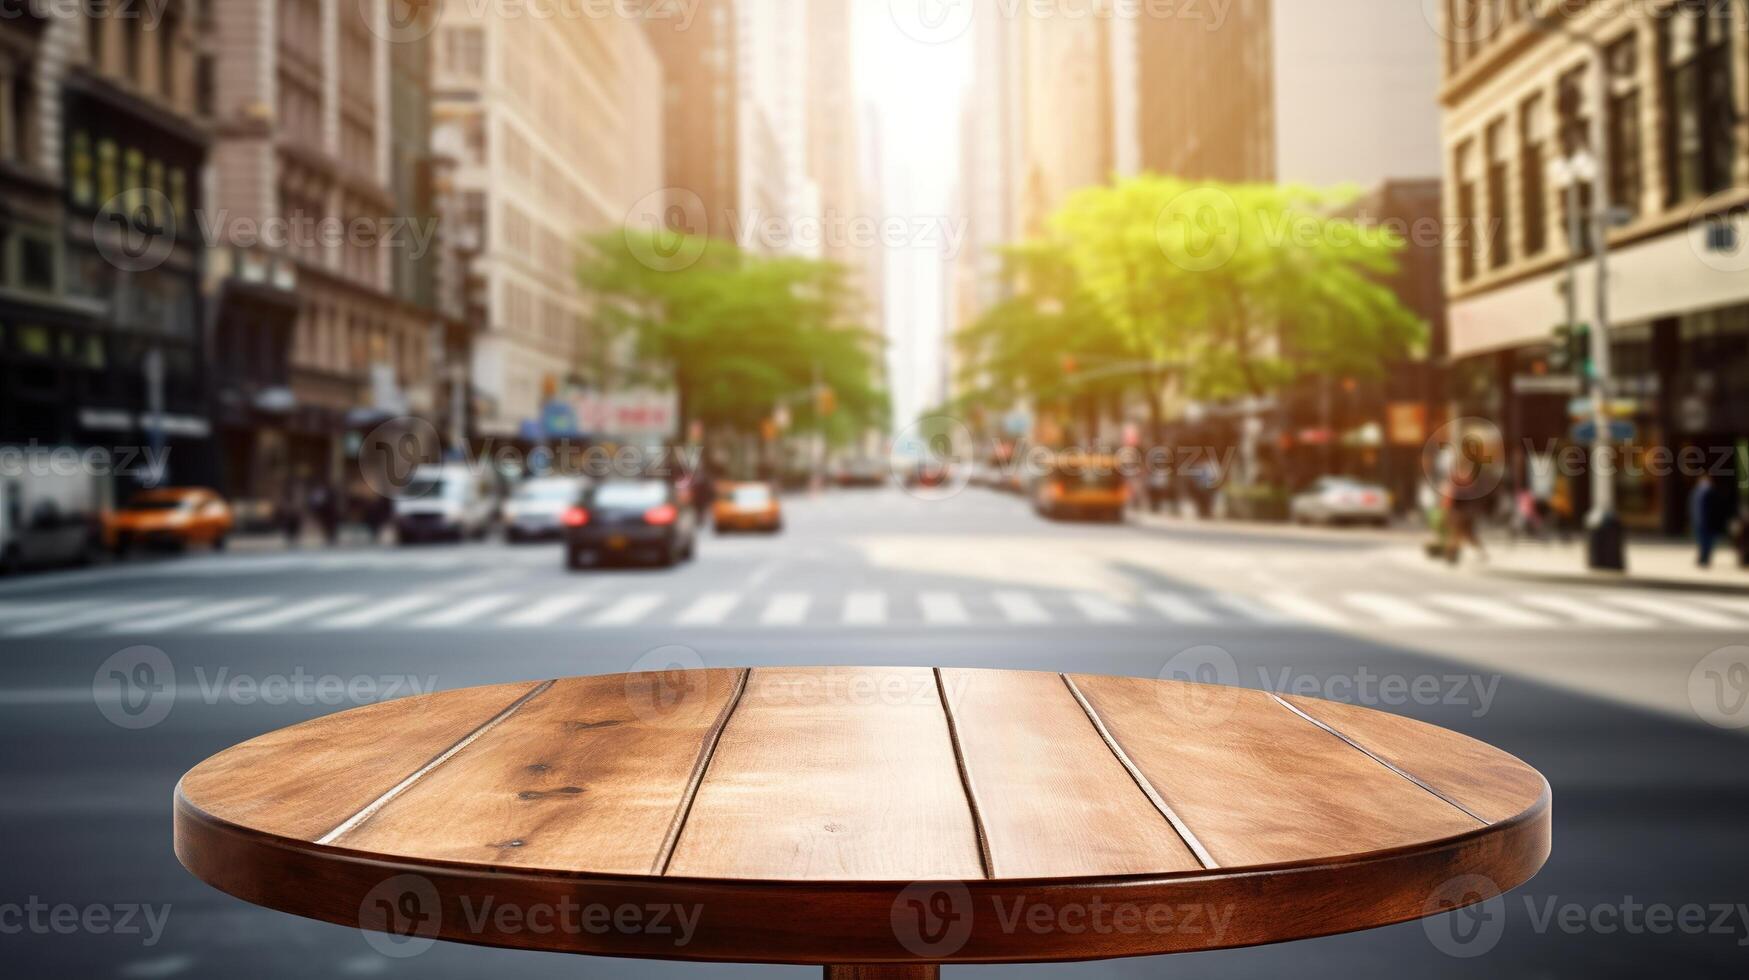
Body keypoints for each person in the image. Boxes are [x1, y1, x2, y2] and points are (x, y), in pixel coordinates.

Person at [1692, 475, 1717, 569]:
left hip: (1706, 521)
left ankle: (1704, 558)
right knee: (1703, 541)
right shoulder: (1698, 492)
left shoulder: (1708, 492)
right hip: (1701, 521)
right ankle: (1703, 558)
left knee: (1706, 541)